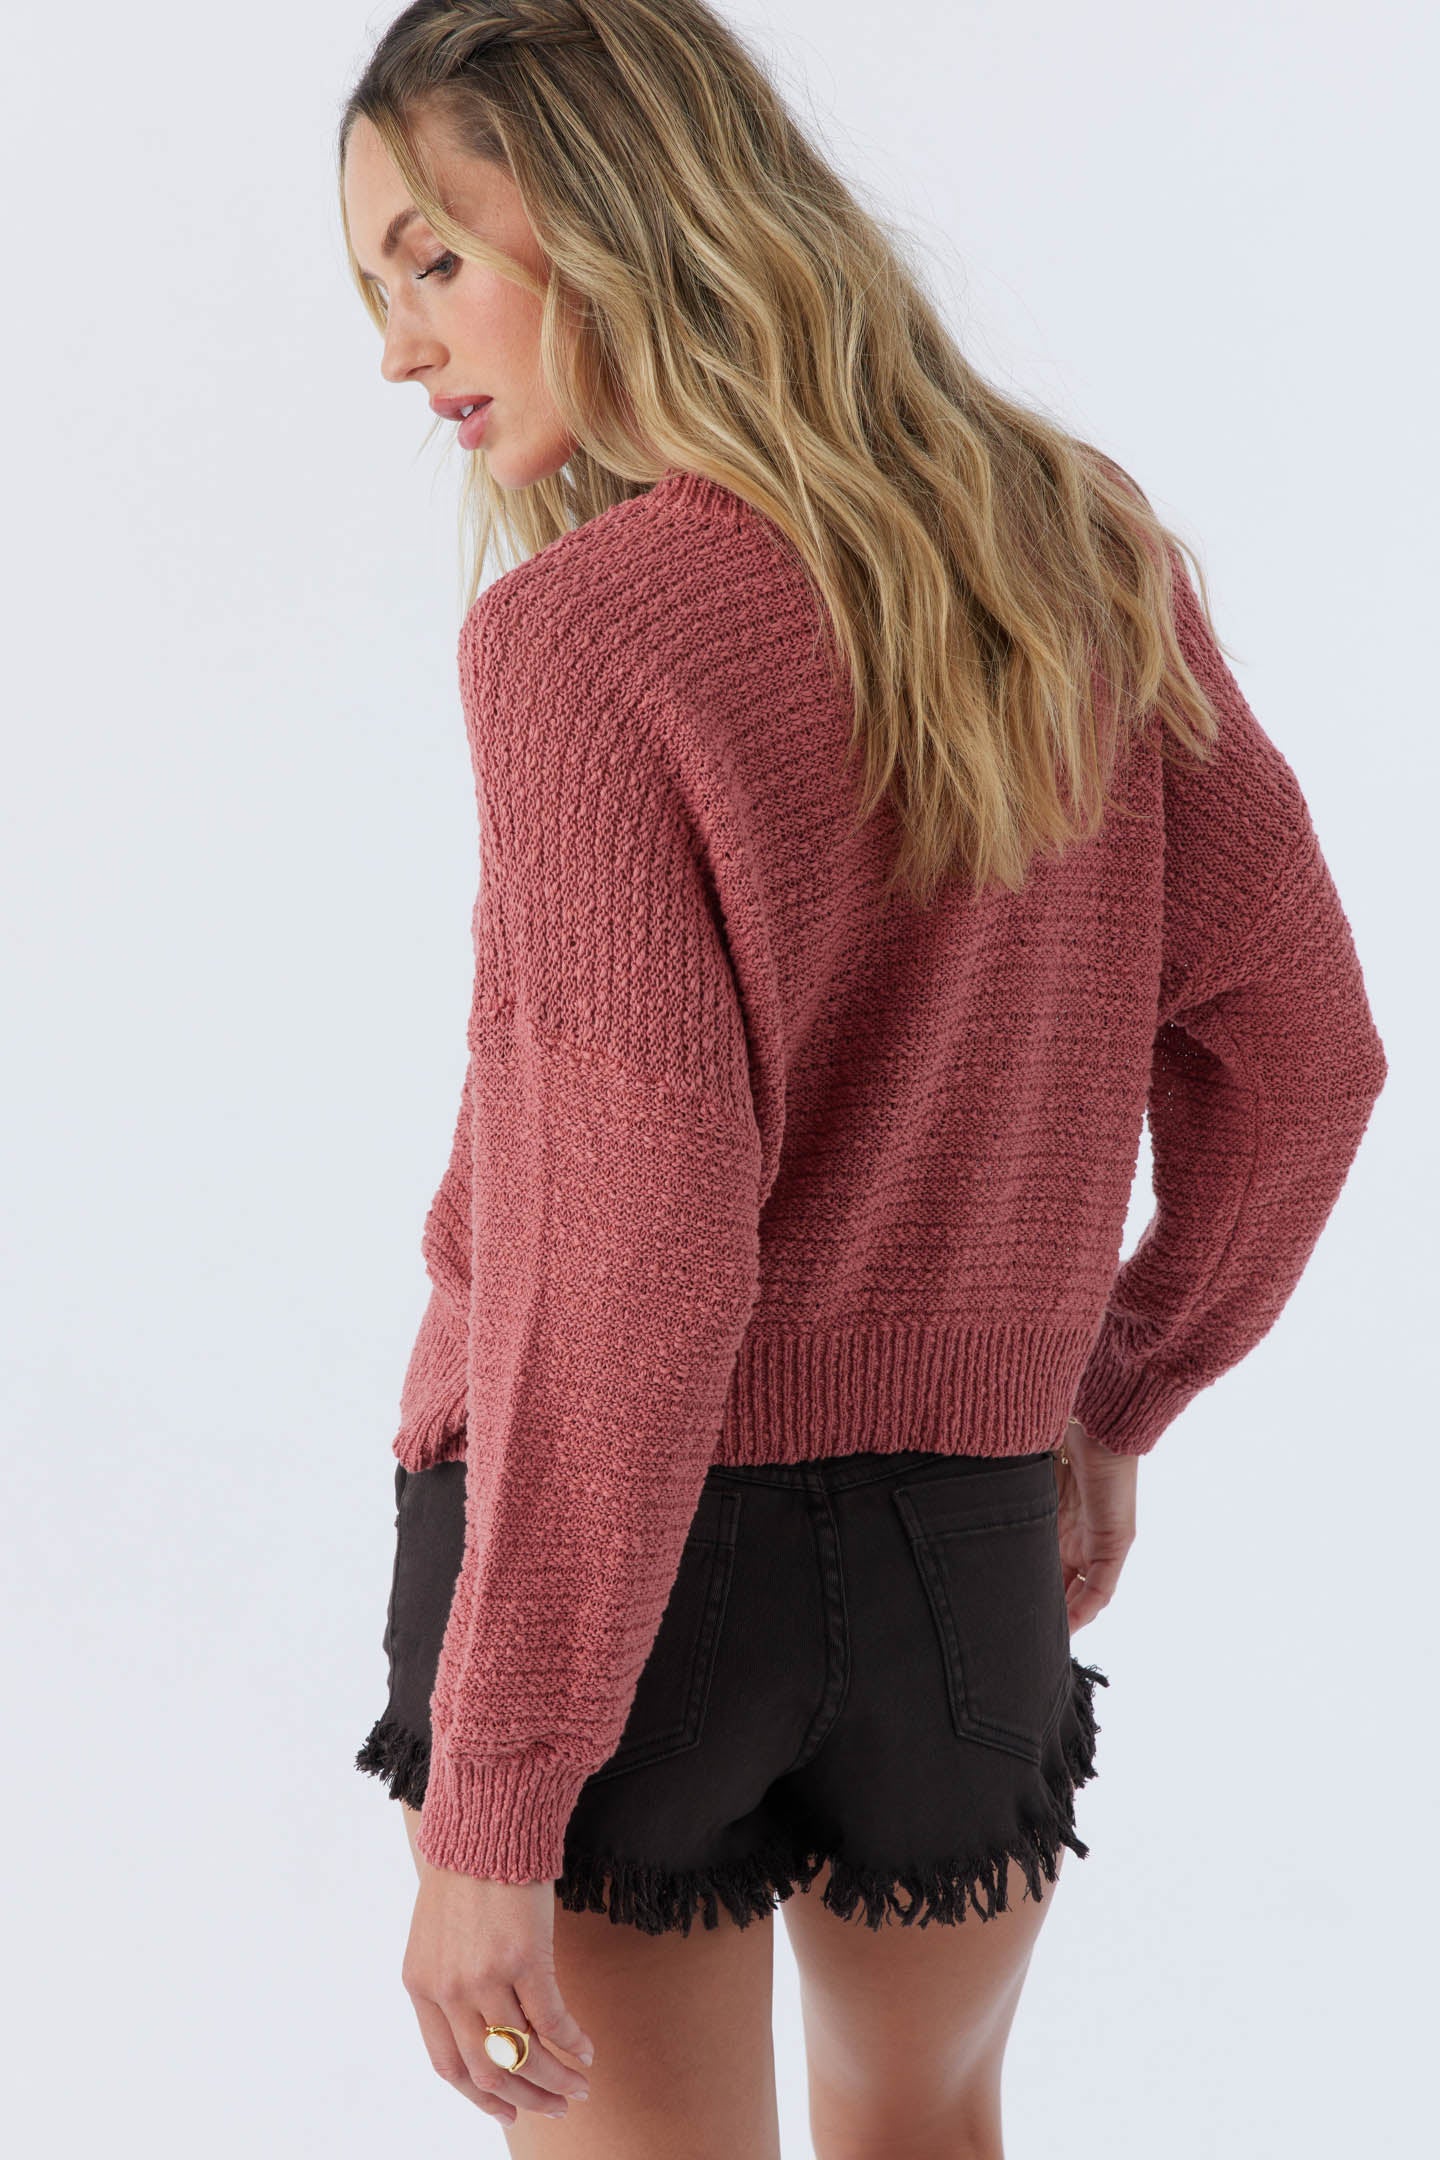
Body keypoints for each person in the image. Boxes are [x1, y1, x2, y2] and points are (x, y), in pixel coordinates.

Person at [337, 3, 1389, 2151]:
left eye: (433, 257)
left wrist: (498, 1793)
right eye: (377, 287)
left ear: (629, 209)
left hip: (621, 1585)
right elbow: (1306, 1053)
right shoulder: (1077, 554)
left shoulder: (584, 637)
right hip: (961, 1554)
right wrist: (1116, 1392)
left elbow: (631, 1246)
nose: (399, 347)